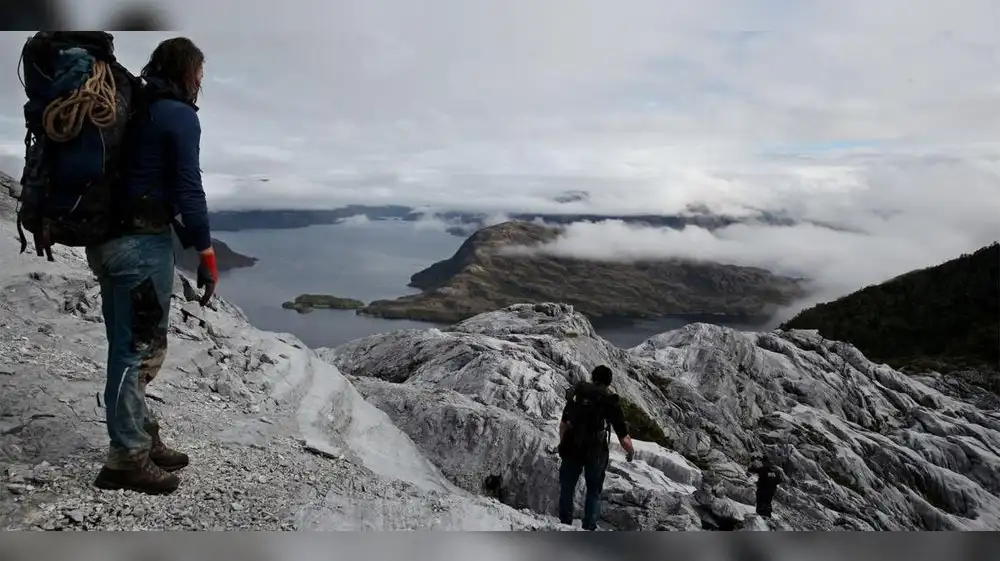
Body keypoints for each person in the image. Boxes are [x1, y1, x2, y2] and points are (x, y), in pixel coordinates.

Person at [86, 37, 218, 495]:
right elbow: (188, 190)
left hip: (108, 243)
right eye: (199, 73)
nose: (201, 81)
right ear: (186, 72)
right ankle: (125, 459)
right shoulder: (178, 115)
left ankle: (143, 435)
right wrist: (205, 253)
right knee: (136, 350)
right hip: (139, 246)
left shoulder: (138, 108)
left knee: (128, 343)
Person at [557, 365, 635, 530]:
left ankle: (564, 525)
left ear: (593, 377)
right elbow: (623, 438)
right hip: (596, 451)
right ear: (609, 382)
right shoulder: (609, 400)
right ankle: (588, 528)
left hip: (571, 445)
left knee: (567, 487)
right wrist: (631, 452)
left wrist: (564, 442)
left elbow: (564, 424)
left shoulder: (578, 393)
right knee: (593, 491)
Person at [747, 453, 784, 518]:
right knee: (767, 503)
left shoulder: (763, 469)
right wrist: (772, 483)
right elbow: (780, 480)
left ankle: (761, 518)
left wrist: (752, 461)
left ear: (764, 461)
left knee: (761, 504)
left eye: (762, 461)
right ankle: (767, 517)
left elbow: (750, 470)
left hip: (762, 490)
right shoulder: (776, 471)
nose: (762, 463)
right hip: (771, 491)